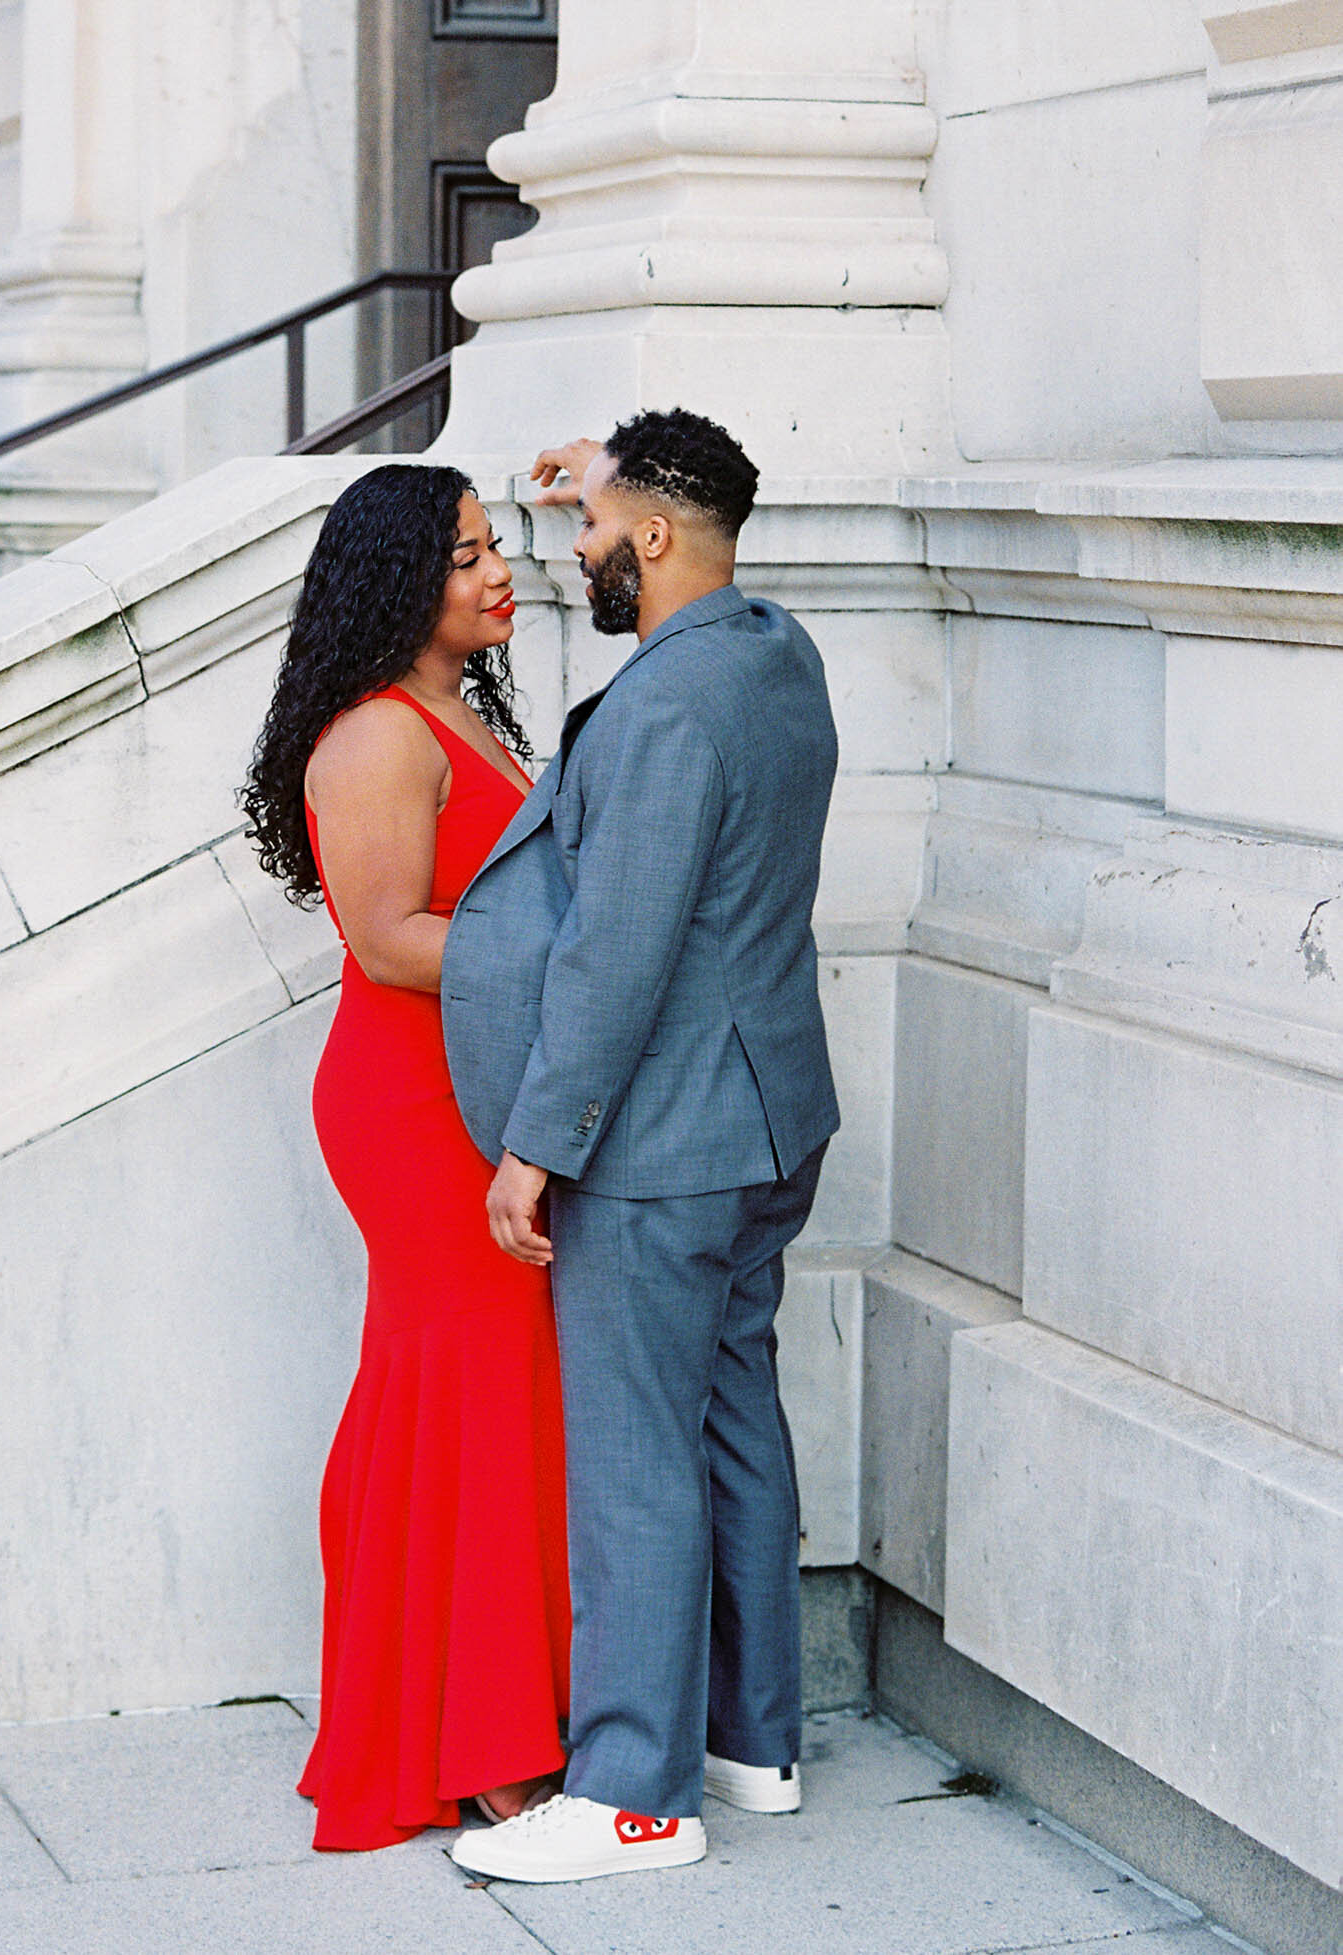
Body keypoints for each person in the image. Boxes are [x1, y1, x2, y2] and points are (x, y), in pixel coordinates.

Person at [439, 409, 841, 1888]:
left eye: (595, 529)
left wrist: (535, 1148)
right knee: (734, 1426)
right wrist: (597, 471)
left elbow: (617, 953)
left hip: (664, 1140)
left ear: (656, 537)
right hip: (762, 1123)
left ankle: (631, 1793)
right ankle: (754, 1742)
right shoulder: (771, 651)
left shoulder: (666, 712)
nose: (576, 548)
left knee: (632, 1456)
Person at [241, 462, 571, 1851]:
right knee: (472, 1391)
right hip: (411, 1102)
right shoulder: (379, 737)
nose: (498, 574)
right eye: (464, 557)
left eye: (494, 548)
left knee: (476, 1398)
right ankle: (481, 1741)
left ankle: (466, 1714)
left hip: (468, 1085)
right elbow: (385, 941)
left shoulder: (458, 715)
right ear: (393, 582)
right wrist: (583, 962)